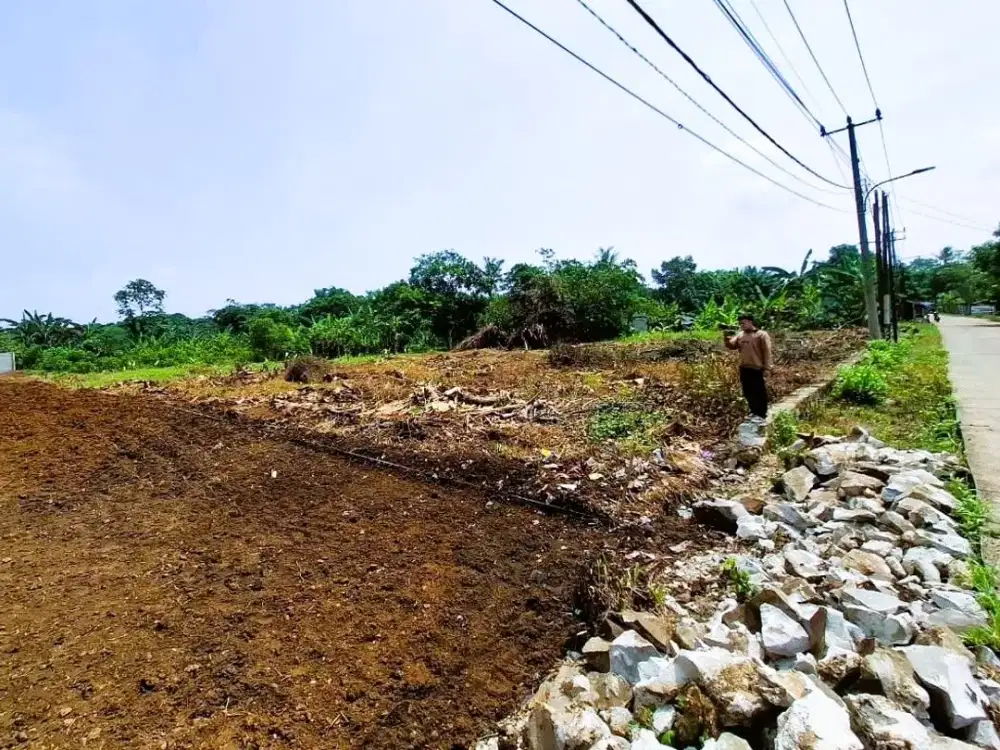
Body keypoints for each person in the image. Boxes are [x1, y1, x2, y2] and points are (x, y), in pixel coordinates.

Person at [723, 313, 773, 423]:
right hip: (744, 367)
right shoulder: (740, 335)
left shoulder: (761, 335)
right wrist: (726, 339)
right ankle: (753, 411)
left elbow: (767, 352)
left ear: (750, 322)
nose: (742, 325)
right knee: (748, 391)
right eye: (740, 323)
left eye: (743, 323)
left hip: (757, 368)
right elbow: (732, 345)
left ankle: (761, 413)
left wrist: (767, 368)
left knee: (758, 391)